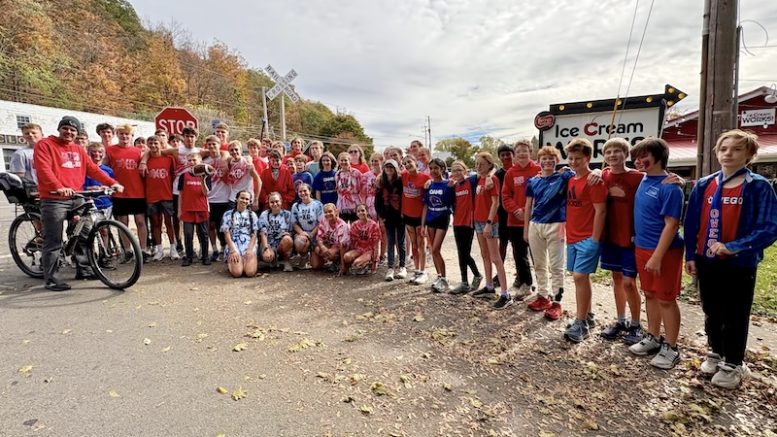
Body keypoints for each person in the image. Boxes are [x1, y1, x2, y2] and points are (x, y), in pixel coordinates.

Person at [685, 129, 777, 388]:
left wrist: (735, 247)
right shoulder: (704, 184)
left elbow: (769, 226)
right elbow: (691, 223)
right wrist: (690, 255)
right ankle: (715, 350)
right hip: (707, 259)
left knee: (735, 312)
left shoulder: (757, 185)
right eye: (724, 149)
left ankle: (734, 363)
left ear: (749, 155)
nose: (728, 154)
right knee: (711, 309)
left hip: (739, 262)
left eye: (736, 149)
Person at [34, 116, 123, 291]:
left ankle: (84, 268)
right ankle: (51, 278)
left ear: (76, 133)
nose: (69, 132)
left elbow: (92, 169)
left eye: (73, 130)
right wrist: (58, 187)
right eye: (65, 128)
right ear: (59, 129)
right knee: (54, 239)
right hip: (54, 198)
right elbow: (44, 169)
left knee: (84, 232)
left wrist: (112, 183)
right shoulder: (45, 145)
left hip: (76, 196)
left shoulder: (78, 149)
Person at [628, 138, 685, 370]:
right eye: (637, 157)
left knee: (666, 299)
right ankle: (653, 336)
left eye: (645, 156)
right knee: (650, 294)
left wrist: (657, 256)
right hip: (642, 247)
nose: (639, 161)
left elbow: (672, 225)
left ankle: (671, 348)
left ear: (659, 157)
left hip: (664, 252)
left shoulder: (670, 186)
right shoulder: (643, 179)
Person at [598, 138, 646, 344]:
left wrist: (678, 180)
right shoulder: (602, 175)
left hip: (631, 237)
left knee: (629, 282)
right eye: (608, 152)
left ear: (626, 155)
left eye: (617, 151)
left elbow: (664, 178)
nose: (612, 155)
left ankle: (636, 324)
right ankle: (621, 320)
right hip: (609, 236)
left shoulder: (638, 177)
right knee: (616, 279)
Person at [562, 138, 607, 342]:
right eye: (571, 158)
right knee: (579, 277)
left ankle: (580, 323)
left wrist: (595, 239)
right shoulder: (571, 179)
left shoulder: (594, 180)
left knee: (580, 277)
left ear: (588, 158)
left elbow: (601, 211)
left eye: (578, 158)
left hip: (587, 237)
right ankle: (587, 316)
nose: (573, 162)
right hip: (571, 236)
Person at [524, 147, 574, 320]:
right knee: (539, 264)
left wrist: (597, 170)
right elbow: (528, 205)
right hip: (535, 225)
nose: (547, 161)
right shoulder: (533, 181)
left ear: (557, 160)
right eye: (544, 158)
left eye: (551, 157)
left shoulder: (564, 176)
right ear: (539, 160)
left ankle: (557, 302)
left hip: (557, 224)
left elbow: (584, 173)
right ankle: (543, 297)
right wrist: (526, 228)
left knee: (556, 266)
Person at [470, 152, 511, 309]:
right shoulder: (480, 179)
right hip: (478, 221)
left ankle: (505, 294)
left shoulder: (492, 179)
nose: (478, 166)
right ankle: (488, 286)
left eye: (482, 163)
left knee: (495, 257)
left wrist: (488, 222)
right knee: (484, 254)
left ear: (489, 164)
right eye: (477, 163)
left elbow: (496, 203)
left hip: (489, 222)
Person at [501, 140, 541, 298]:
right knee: (519, 254)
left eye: (525, 150)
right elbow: (505, 196)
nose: (522, 154)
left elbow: (544, 194)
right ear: (514, 155)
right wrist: (516, 210)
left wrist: (527, 211)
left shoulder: (538, 169)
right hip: (515, 220)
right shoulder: (510, 173)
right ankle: (526, 283)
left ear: (530, 152)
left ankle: (543, 287)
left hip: (536, 220)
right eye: (518, 151)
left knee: (537, 255)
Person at [104, 124, 149, 260]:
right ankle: (127, 250)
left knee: (140, 221)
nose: (124, 136)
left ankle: (143, 250)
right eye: (122, 134)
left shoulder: (138, 151)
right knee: (123, 223)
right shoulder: (110, 151)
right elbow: (103, 169)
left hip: (137, 192)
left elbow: (147, 156)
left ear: (131, 136)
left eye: (127, 134)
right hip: (119, 193)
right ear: (117, 134)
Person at [448, 160, 483, 294]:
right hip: (457, 222)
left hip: (469, 222)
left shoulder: (472, 181)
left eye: (459, 170)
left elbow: (487, 173)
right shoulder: (453, 186)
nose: (456, 172)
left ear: (465, 171)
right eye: (454, 170)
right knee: (460, 253)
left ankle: (475, 276)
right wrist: (450, 188)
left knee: (464, 253)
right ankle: (465, 282)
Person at [423, 158, 455, 292]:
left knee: (436, 249)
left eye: (436, 168)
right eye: (431, 168)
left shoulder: (448, 184)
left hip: (443, 218)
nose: (433, 171)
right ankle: (439, 276)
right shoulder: (428, 185)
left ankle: (445, 279)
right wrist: (423, 224)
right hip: (431, 218)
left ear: (442, 169)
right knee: (432, 250)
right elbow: (425, 205)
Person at [144, 136, 178, 260]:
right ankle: (159, 250)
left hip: (166, 195)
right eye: (151, 143)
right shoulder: (145, 160)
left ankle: (173, 248)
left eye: (156, 143)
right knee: (156, 223)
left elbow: (174, 175)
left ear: (161, 144)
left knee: (169, 223)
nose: (153, 146)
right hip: (152, 196)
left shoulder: (168, 159)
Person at [401, 154, 431, 285]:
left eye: (409, 162)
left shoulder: (425, 177)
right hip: (407, 216)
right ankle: (417, 270)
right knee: (413, 244)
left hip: (420, 216)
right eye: (405, 163)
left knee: (421, 244)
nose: (407, 165)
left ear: (415, 161)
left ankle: (423, 271)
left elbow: (437, 183)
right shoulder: (403, 176)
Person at [376, 159, 407, 281]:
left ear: (395, 168)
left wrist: (404, 213)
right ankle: (390, 268)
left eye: (392, 167)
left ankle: (402, 266)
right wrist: (381, 216)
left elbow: (405, 197)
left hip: (400, 215)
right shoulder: (380, 182)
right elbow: (377, 201)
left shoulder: (400, 181)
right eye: (387, 167)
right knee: (390, 242)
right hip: (387, 216)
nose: (389, 169)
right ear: (384, 168)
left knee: (401, 242)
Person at [178, 153, 212, 266]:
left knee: (204, 234)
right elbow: (180, 194)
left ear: (200, 161)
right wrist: (179, 210)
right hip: (187, 209)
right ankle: (188, 257)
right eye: (190, 160)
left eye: (194, 160)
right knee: (188, 234)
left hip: (202, 209)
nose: (192, 162)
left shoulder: (206, 175)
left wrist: (202, 180)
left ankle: (205, 257)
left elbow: (206, 193)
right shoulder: (183, 176)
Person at [203, 136, 232, 262]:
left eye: (214, 144)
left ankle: (224, 248)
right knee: (210, 226)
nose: (212, 147)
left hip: (224, 198)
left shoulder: (226, 158)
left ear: (219, 145)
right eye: (209, 145)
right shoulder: (205, 161)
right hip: (210, 198)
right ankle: (214, 249)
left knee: (224, 226)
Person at [222, 190, 260, 278]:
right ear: (237, 199)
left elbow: (254, 234)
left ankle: (245, 261)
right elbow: (226, 233)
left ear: (249, 201)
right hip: (233, 243)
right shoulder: (228, 214)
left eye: (247, 199)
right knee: (237, 273)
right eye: (242, 198)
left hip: (248, 243)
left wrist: (250, 250)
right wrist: (232, 251)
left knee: (250, 273)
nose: (244, 201)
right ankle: (232, 262)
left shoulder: (253, 215)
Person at [259, 192, 294, 271]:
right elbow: (263, 232)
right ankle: (273, 258)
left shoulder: (287, 215)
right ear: (268, 203)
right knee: (267, 257)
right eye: (272, 202)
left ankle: (286, 261)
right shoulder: (264, 215)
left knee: (288, 239)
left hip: (281, 243)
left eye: (277, 201)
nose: (274, 204)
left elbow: (291, 232)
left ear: (281, 201)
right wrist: (266, 248)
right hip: (269, 242)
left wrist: (287, 236)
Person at [290, 183, 323, 268]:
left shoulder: (317, 204)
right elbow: (294, 223)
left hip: (316, 233)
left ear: (310, 191)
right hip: (303, 234)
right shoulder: (296, 206)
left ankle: (317, 256)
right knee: (300, 242)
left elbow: (321, 222)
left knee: (316, 266)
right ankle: (304, 257)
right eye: (300, 191)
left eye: (305, 191)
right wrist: (302, 233)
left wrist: (312, 234)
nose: (302, 193)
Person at [342, 204, 381, 275]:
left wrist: (374, 261)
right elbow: (352, 242)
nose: (361, 213)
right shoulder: (354, 225)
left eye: (363, 210)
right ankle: (359, 264)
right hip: (359, 249)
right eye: (358, 211)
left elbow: (376, 245)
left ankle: (369, 263)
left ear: (367, 212)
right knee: (346, 257)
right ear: (356, 213)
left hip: (370, 250)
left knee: (357, 262)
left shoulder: (373, 225)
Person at [311, 203, 350, 272]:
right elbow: (319, 238)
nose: (328, 214)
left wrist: (343, 265)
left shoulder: (342, 225)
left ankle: (338, 263)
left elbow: (342, 246)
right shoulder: (323, 221)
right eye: (325, 212)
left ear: (336, 212)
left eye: (330, 211)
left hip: (341, 247)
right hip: (329, 243)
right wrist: (323, 248)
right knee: (315, 264)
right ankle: (326, 262)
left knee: (331, 253)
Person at [362, 152, 385, 262]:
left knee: (383, 229)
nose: (374, 163)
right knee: (370, 229)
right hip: (370, 202)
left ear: (381, 161)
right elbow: (362, 192)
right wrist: (363, 205)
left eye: (376, 160)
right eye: (372, 161)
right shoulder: (366, 176)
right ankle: (371, 253)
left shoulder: (386, 174)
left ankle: (383, 254)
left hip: (383, 203)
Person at [83, 143, 115, 219]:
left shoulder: (109, 170)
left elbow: (113, 187)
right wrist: (89, 188)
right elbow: (78, 186)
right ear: (88, 153)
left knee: (105, 228)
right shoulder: (83, 169)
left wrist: (106, 188)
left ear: (104, 154)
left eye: (100, 152)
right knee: (88, 228)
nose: (97, 154)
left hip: (105, 203)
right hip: (88, 203)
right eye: (93, 152)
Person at [225, 140, 261, 210]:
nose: (234, 152)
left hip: (247, 199)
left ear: (241, 150)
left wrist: (256, 199)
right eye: (231, 150)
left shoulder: (247, 162)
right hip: (233, 199)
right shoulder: (229, 163)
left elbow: (259, 181)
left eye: (236, 149)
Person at [335, 151, 363, 222]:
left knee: (355, 224)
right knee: (343, 224)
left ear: (349, 161)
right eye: (341, 160)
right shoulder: (337, 174)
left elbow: (362, 187)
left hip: (354, 202)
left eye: (345, 160)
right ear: (338, 161)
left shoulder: (356, 173)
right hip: (342, 204)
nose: (343, 162)